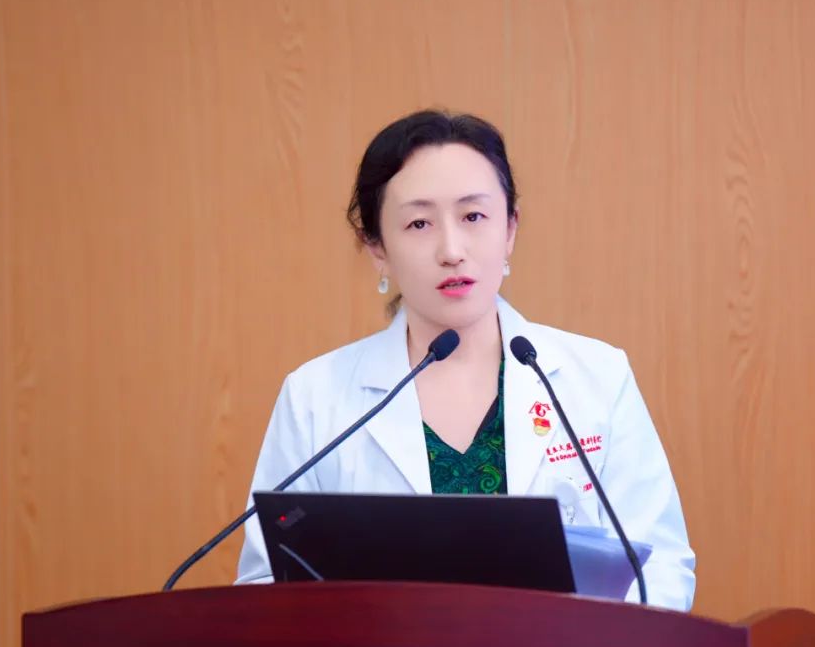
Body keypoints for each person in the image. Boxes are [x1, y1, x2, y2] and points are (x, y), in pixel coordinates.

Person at [235, 110, 696, 611]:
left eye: (473, 217)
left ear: (510, 228)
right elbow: (267, 583)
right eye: (419, 223)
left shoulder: (598, 377)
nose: (451, 250)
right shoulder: (314, 397)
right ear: (377, 248)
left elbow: (660, 568)